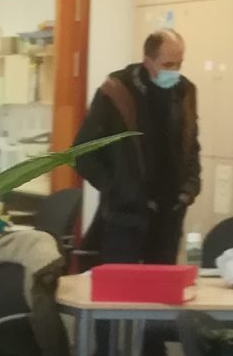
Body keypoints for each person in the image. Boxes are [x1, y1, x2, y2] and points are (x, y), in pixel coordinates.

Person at [74, 28, 201, 263]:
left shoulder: (185, 91)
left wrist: (189, 189)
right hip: (125, 218)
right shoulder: (116, 91)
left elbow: (191, 145)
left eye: (179, 64)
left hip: (169, 215)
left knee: (161, 283)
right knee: (121, 284)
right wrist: (117, 189)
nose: (174, 71)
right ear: (147, 61)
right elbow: (83, 153)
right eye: (167, 64)